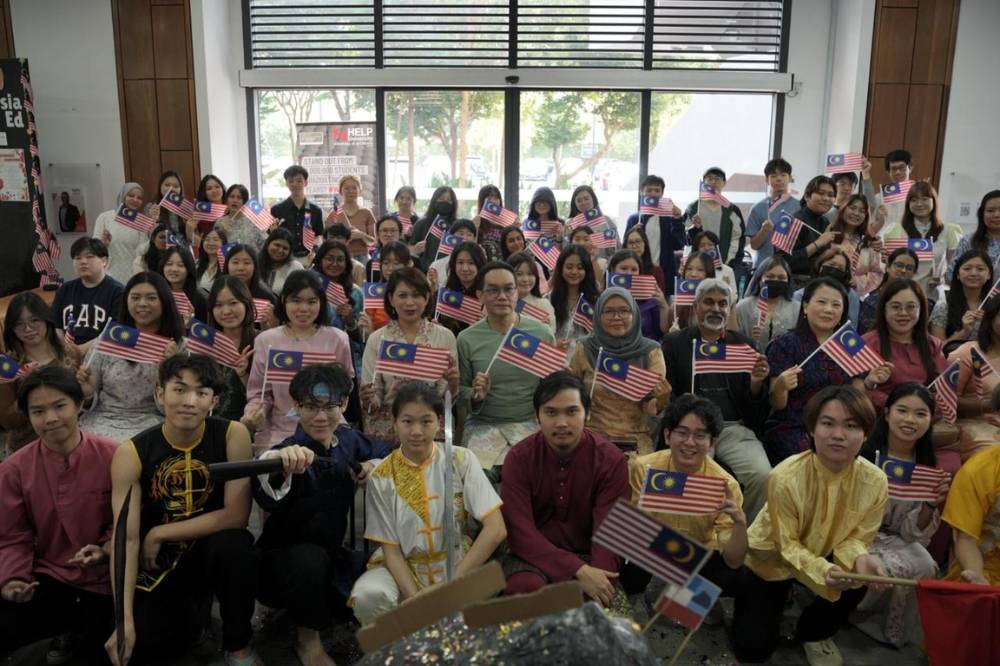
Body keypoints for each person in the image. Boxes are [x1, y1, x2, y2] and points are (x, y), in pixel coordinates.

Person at [105, 354, 260, 666]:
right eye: (179, 390)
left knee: (237, 547)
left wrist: (161, 531)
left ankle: (238, 646)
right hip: (160, 564)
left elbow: (236, 516)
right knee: (142, 648)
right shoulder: (131, 453)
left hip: (212, 549)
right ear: (159, 394)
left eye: (201, 393)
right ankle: (192, 622)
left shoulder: (233, 435)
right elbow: (127, 539)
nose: (190, 401)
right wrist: (124, 621)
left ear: (213, 401)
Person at [732, 386, 888, 665]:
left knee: (860, 576)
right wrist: (822, 570)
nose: (838, 435)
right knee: (751, 649)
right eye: (828, 423)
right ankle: (775, 600)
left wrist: (861, 557)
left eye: (851, 426)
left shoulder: (876, 480)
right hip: (773, 557)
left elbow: (857, 537)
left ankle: (812, 632)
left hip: (828, 551)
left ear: (865, 433)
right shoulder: (785, 476)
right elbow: (786, 544)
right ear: (812, 429)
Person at [253, 365, 393, 665]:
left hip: (333, 557)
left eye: (330, 406)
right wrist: (279, 463)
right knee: (309, 560)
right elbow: (265, 486)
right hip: (283, 562)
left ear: (343, 404)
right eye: (310, 407)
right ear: (296, 406)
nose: (320, 417)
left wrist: (373, 464)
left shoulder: (349, 439)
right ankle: (308, 641)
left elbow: (389, 450)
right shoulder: (288, 449)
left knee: (373, 574)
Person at [349, 384, 506, 625]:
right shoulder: (382, 475)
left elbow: (496, 529)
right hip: (404, 573)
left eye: (426, 421)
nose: (416, 431)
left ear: (439, 422)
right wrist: (417, 600)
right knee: (369, 595)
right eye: (407, 421)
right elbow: (391, 551)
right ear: (395, 423)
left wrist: (453, 582)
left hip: (458, 567)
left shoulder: (461, 459)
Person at [0, 368, 117, 663]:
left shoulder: (115, 456)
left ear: (78, 404)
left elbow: (128, 520)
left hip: (107, 580)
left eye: (59, 406)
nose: (50, 419)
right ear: (28, 416)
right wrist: (13, 579)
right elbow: (12, 535)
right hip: (48, 575)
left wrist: (105, 549)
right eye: (38, 411)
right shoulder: (14, 469)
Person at [500, 372, 629, 605]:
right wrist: (574, 568)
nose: (561, 423)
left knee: (593, 596)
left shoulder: (611, 460)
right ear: (537, 416)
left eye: (572, 411)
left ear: (587, 413)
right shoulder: (518, 458)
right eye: (551, 412)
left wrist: (598, 578)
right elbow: (520, 531)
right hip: (532, 556)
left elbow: (610, 534)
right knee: (524, 589)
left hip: (589, 554)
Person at [660, 278, 772, 520]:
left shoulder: (744, 346)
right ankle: (697, 537)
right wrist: (682, 405)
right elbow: (665, 394)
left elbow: (758, 407)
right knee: (692, 475)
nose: (716, 308)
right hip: (692, 429)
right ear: (696, 305)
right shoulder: (674, 343)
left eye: (723, 303)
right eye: (709, 302)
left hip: (733, 428)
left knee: (764, 476)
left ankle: (743, 537)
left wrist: (755, 383)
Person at [853, 383, 948, 647]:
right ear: (886, 413)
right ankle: (854, 614)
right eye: (902, 410)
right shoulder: (864, 452)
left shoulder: (926, 463)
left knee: (927, 566)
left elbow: (910, 532)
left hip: (896, 536)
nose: (910, 420)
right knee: (887, 569)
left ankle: (893, 628)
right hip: (857, 533)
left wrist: (930, 506)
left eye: (920, 414)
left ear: (930, 420)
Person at [623, 395, 747, 596]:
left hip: (695, 553)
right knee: (625, 566)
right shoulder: (642, 469)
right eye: (682, 432)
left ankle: (685, 604)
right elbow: (628, 532)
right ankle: (641, 599)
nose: (690, 443)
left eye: (700, 435)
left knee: (736, 576)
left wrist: (740, 522)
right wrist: (643, 515)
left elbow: (733, 561)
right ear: (667, 435)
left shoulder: (725, 485)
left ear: (712, 441)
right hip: (650, 545)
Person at [765, 277, 891, 463]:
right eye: (821, 302)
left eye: (835, 304)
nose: (828, 309)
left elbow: (857, 395)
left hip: (841, 425)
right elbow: (778, 404)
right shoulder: (784, 343)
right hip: (796, 426)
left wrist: (869, 382)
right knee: (811, 457)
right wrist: (782, 386)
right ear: (806, 307)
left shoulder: (849, 343)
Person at [458, 261, 557, 470]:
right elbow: (460, 390)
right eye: (493, 290)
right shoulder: (467, 339)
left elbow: (553, 386)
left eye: (508, 289)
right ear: (480, 296)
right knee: (477, 481)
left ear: (516, 292)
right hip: (483, 425)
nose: (502, 296)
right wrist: (476, 395)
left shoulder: (541, 333)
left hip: (531, 423)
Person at [244, 270, 354, 451]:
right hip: (280, 431)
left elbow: (345, 388)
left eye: (311, 302)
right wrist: (255, 412)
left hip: (328, 427)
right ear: (283, 301)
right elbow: (259, 394)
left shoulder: (338, 339)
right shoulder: (266, 340)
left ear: (321, 303)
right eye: (296, 301)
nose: (304, 309)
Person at [77, 272, 182, 442]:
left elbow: (175, 408)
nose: (142, 304)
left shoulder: (177, 347)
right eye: (135, 297)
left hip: (151, 423)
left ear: (164, 302)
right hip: (101, 419)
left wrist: (170, 369)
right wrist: (88, 394)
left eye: (151, 298)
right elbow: (87, 402)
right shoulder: (109, 339)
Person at [360, 267, 459, 443]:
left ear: (427, 297)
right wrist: (368, 399)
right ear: (391, 299)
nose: (410, 302)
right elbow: (373, 399)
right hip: (387, 430)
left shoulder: (445, 336)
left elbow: (444, 398)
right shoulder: (378, 339)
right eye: (402, 295)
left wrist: (453, 383)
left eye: (416, 295)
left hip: (429, 427)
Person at [568, 287, 669, 455]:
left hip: (633, 439)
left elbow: (651, 409)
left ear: (634, 315)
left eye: (624, 311)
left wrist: (662, 400)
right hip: (591, 436)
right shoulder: (584, 348)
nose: (616, 317)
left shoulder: (651, 351)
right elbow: (571, 395)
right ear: (598, 315)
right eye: (609, 311)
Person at [0, 293, 80, 453]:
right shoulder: (8, 367)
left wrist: (88, 392)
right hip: (29, 444)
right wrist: (29, 392)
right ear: (11, 329)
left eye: (34, 320)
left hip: (72, 435)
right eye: (19, 324)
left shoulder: (70, 353)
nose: (28, 329)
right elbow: (8, 422)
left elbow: (82, 402)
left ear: (46, 319)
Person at [941, 382, 1000, 586]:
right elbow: (965, 540)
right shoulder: (978, 471)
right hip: (986, 574)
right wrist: (977, 577)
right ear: (997, 419)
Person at [861, 279, 946, 412]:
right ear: (884, 309)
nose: (903, 313)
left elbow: (943, 390)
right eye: (895, 307)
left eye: (911, 307)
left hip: (923, 418)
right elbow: (859, 390)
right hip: (880, 419)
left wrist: (919, 409)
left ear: (921, 309)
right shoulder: (866, 344)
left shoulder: (933, 345)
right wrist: (898, 408)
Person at [946, 294, 1000, 461]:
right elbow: (946, 401)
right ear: (991, 319)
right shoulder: (967, 353)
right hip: (976, 426)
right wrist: (990, 405)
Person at [884, 180, 959, 295]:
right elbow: (888, 265)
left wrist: (942, 280)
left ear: (933, 201)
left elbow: (954, 267)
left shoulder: (949, 231)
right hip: (901, 292)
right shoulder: (896, 229)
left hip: (932, 294)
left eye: (924, 199)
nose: (919, 204)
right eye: (914, 200)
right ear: (908, 204)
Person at [52, 236, 124, 349]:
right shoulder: (64, 290)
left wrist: (81, 350)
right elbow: (57, 327)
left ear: (104, 261)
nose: (83, 262)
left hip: (100, 352)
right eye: (77, 258)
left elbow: (114, 332)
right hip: (66, 352)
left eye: (89, 257)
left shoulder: (118, 292)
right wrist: (65, 350)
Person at [205, 276, 257, 423]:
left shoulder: (261, 342)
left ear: (246, 304)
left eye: (233, 303)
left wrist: (243, 375)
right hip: (207, 423)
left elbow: (264, 398)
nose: (226, 311)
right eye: (218, 305)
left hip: (247, 425)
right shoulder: (205, 343)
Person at [624, 175, 686, 295]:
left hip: (663, 272)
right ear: (642, 192)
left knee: (662, 306)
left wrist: (677, 219)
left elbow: (679, 244)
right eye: (649, 190)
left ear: (662, 194)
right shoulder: (634, 219)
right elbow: (625, 248)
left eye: (657, 191)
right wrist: (632, 233)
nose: (653, 193)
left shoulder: (668, 218)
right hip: (637, 271)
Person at [778, 175, 837, 289]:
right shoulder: (788, 220)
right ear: (807, 196)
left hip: (816, 283)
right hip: (792, 284)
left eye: (830, 195)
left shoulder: (825, 221)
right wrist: (817, 244)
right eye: (821, 193)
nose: (826, 198)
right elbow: (781, 261)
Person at [729, 256, 799, 351]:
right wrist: (751, 340)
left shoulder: (797, 308)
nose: (776, 280)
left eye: (781, 278)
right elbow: (733, 340)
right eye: (770, 276)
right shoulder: (743, 307)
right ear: (759, 279)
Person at [930, 249, 992, 354]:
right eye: (967, 269)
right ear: (957, 274)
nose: (973, 273)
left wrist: (989, 323)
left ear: (989, 274)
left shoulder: (994, 304)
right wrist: (964, 332)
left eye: (980, 269)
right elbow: (937, 351)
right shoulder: (944, 305)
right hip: (953, 364)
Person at [745, 158, 801, 270]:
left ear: (790, 178)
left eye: (783, 175)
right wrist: (764, 230)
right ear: (767, 179)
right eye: (774, 176)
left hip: (790, 268)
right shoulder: (758, 208)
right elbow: (754, 246)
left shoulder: (799, 206)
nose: (779, 179)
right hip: (763, 267)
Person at [826, 194, 884, 297]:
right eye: (852, 208)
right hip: (825, 290)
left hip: (853, 298)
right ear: (844, 208)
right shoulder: (829, 233)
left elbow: (877, 273)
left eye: (862, 211)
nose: (856, 213)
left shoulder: (869, 243)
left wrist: (857, 281)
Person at [685, 167, 745, 265]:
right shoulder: (694, 208)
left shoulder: (732, 210)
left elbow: (738, 237)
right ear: (703, 182)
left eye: (717, 178)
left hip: (725, 264)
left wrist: (731, 262)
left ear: (724, 183)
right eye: (709, 178)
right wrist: (695, 228)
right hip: (698, 265)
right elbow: (686, 238)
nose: (713, 181)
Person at [92, 182, 149, 285]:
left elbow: (141, 251)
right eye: (131, 195)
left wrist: (152, 237)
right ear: (123, 196)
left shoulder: (141, 222)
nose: (135, 200)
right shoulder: (105, 217)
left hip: (132, 274)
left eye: (139, 198)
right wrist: (103, 243)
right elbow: (94, 248)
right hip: (108, 274)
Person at [607, 249, 670, 342]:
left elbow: (663, 331)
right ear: (613, 269)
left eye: (634, 269)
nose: (629, 273)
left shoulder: (650, 299)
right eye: (624, 268)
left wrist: (663, 305)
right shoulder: (603, 299)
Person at [548, 244, 601, 349]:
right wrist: (553, 343)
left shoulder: (597, 301)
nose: (574, 272)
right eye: (569, 267)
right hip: (556, 360)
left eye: (580, 267)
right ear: (561, 268)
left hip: (584, 361)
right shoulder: (548, 300)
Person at [792, 248, 862, 326]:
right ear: (820, 266)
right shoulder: (799, 295)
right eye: (831, 265)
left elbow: (852, 326)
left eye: (840, 268)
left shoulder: (851, 296)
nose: (835, 269)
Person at [858, 248, 918, 333]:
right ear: (888, 267)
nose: (903, 270)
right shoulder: (871, 301)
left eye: (909, 268)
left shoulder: (918, 302)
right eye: (899, 265)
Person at [434, 239, 486, 337]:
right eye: (460, 263)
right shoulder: (444, 294)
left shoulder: (488, 295)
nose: (465, 268)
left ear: (479, 265)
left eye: (471, 263)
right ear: (454, 265)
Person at [271, 165, 324, 258]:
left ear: (306, 182)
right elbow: (272, 237)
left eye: (299, 181)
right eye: (291, 181)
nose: (295, 184)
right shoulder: (277, 209)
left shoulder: (315, 210)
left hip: (309, 257)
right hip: (285, 258)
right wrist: (273, 232)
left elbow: (319, 235)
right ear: (286, 183)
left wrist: (315, 247)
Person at [946, 190, 1000, 282]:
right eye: (990, 210)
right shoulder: (968, 241)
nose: (997, 215)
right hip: (973, 295)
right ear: (982, 214)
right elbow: (951, 275)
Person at [224, 243, 278, 327]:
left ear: (255, 267)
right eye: (235, 262)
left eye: (246, 263)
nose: (240, 268)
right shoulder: (219, 292)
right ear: (227, 265)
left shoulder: (266, 297)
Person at [409, 186, 458, 269]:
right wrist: (414, 249)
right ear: (434, 201)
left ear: (453, 203)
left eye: (449, 200)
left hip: (450, 271)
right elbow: (410, 248)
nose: (445, 202)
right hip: (425, 271)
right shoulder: (421, 223)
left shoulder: (457, 225)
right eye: (441, 199)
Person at [158, 246, 208, 323]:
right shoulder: (156, 294)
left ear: (189, 268)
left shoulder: (199, 299)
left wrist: (190, 323)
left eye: (180, 265)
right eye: (169, 264)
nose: (174, 269)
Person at [509, 251, 556, 332]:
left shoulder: (544, 304)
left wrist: (544, 329)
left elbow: (551, 335)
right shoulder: (502, 302)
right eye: (519, 274)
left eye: (530, 274)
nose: (525, 279)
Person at [669, 250, 715, 332]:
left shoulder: (716, 301)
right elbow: (666, 328)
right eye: (689, 269)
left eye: (700, 270)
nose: (693, 274)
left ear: (709, 273)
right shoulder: (678, 300)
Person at [427, 219, 478, 292]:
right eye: (461, 234)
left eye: (469, 234)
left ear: (474, 239)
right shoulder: (436, 266)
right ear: (451, 237)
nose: (464, 238)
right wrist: (433, 284)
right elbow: (429, 296)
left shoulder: (479, 263)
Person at [215, 184, 265, 250]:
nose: (235, 200)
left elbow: (264, 247)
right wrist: (222, 234)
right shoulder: (219, 222)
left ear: (244, 202)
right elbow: (215, 248)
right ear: (227, 200)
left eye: (239, 198)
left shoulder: (255, 222)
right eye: (232, 197)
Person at [145, 171, 187, 245]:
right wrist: (151, 219)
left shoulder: (185, 209)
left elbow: (190, 241)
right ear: (160, 186)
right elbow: (145, 238)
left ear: (180, 190)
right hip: (159, 252)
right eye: (167, 185)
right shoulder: (151, 207)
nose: (171, 189)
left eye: (176, 186)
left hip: (181, 252)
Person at [259, 227, 304, 294]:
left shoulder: (296, 268)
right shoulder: (255, 264)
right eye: (277, 245)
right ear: (268, 244)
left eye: (285, 248)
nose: (280, 251)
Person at [623, 224, 665, 291]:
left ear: (644, 243)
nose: (634, 246)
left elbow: (658, 299)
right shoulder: (620, 269)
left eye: (638, 242)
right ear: (626, 246)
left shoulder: (656, 271)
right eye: (631, 243)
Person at [472, 184, 508, 260]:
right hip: (484, 262)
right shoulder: (477, 221)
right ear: (482, 201)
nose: (493, 201)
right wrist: (475, 228)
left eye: (496, 197)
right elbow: (471, 246)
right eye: (489, 198)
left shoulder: (506, 222)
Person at [196, 228, 227, 293]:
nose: (211, 243)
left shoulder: (227, 266)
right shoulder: (196, 265)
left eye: (216, 240)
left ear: (223, 243)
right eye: (207, 239)